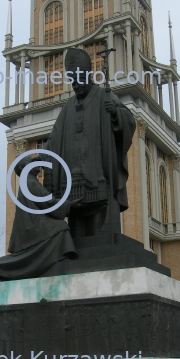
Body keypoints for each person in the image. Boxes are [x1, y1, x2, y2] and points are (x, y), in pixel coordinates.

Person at [44, 48, 136, 237]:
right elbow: (53, 138)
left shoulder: (105, 96)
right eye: (73, 81)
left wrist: (115, 113)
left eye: (80, 80)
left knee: (102, 231)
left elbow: (129, 120)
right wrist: (42, 157)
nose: (76, 85)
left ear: (89, 76)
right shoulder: (68, 107)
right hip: (72, 184)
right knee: (76, 233)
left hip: (99, 176)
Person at [0, 156, 80, 281]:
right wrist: (69, 204)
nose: (36, 164)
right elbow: (48, 203)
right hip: (33, 226)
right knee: (61, 227)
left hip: (33, 223)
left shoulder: (28, 181)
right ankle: (61, 260)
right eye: (31, 162)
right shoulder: (30, 182)